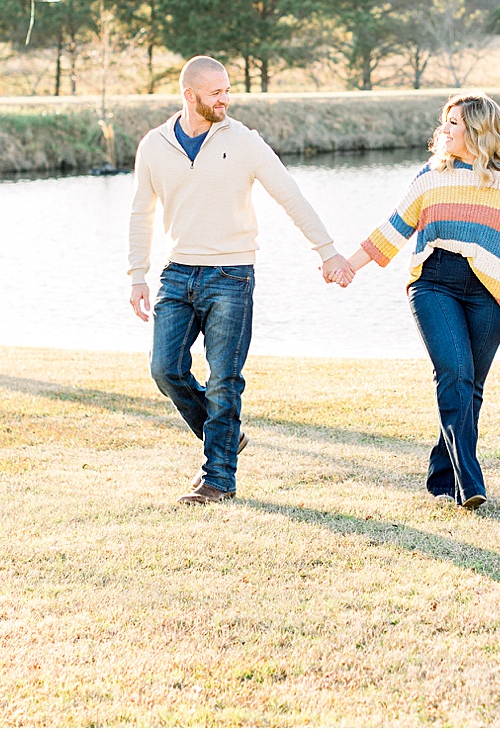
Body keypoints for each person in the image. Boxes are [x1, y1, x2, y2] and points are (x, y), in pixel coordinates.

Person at [128, 56, 351, 505]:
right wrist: (137, 275)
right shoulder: (153, 146)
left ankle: (219, 480)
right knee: (164, 369)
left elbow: (290, 194)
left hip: (232, 274)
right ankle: (227, 438)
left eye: (228, 90)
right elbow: (140, 212)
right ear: (189, 96)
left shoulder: (245, 142)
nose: (225, 99)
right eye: (216, 93)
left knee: (225, 379)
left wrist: (327, 251)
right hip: (177, 273)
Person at [331, 92, 500, 510]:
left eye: (453, 123)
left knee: (471, 387)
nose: (443, 129)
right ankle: (469, 481)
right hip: (434, 283)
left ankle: (442, 475)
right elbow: (393, 230)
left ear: (478, 130)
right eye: (444, 121)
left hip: (489, 292)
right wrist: (347, 265)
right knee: (455, 373)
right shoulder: (431, 176)